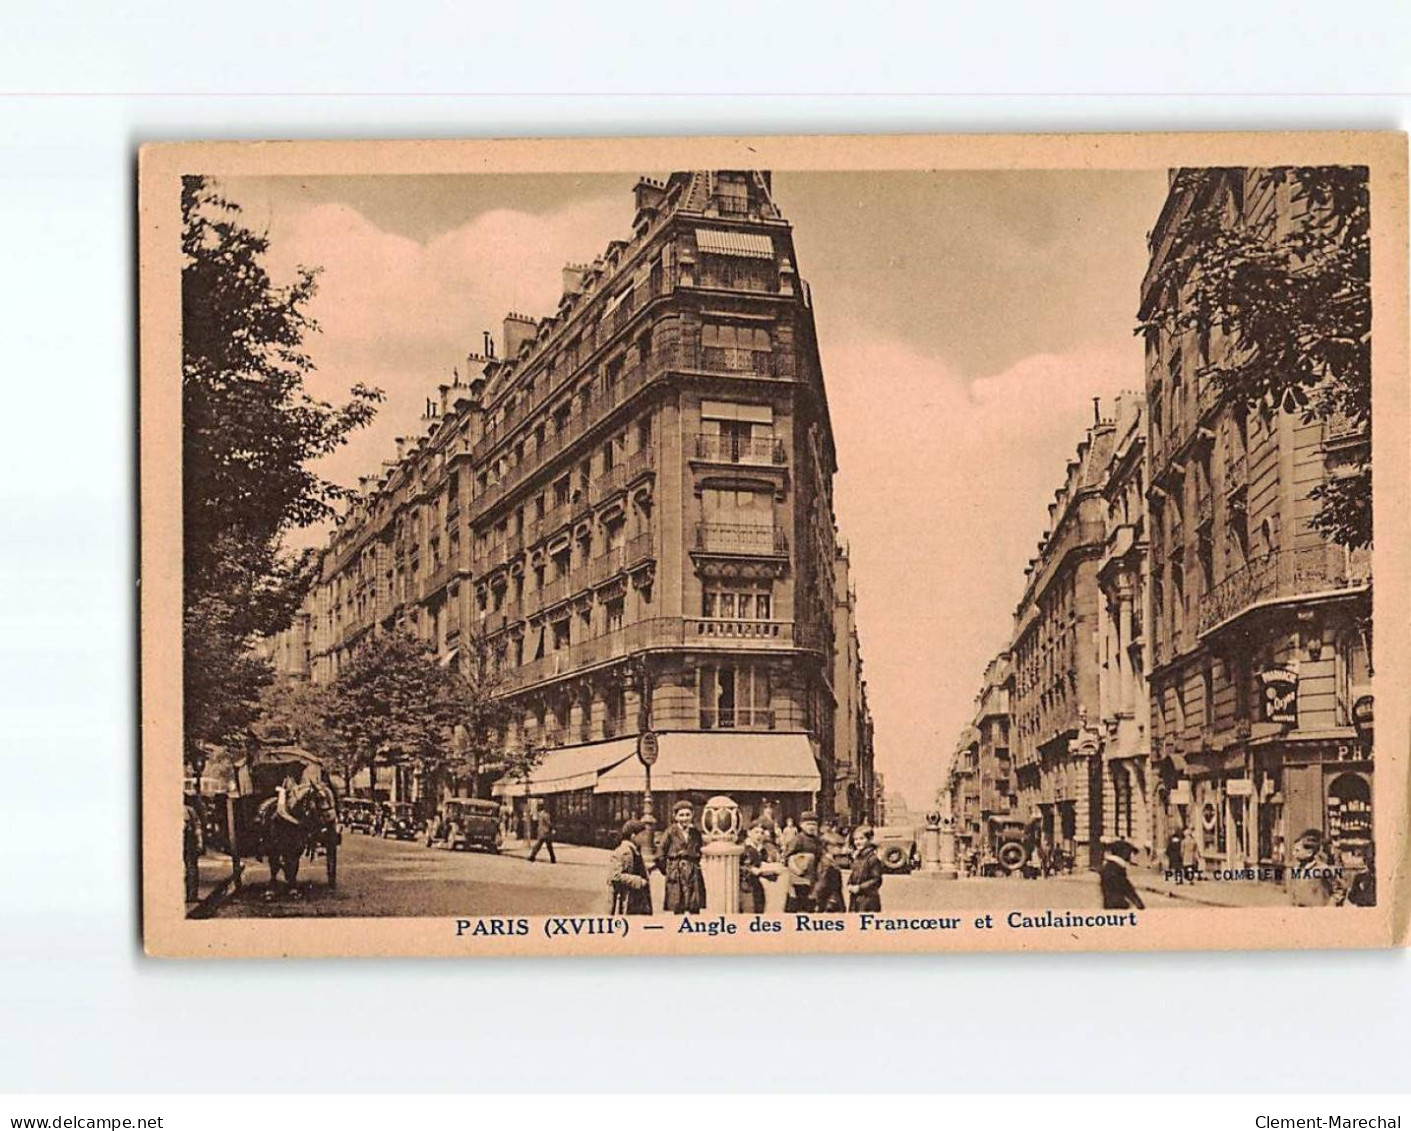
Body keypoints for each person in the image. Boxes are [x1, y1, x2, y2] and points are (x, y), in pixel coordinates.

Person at [656, 801, 705, 913]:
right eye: (681, 815)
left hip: (693, 872)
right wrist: (669, 870)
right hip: (676, 872)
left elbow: (699, 852)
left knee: (694, 904)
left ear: (692, 815)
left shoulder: (696, 833)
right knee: (678, 904)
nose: (685, 818)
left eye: (688, 815)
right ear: (675, 816)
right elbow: (660, 855)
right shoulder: (670, 832)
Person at [607, 820, 653, 915]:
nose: (645, 838)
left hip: (638, 899)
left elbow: (633, 868)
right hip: (629, 901)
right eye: (642, 835)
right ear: (633, 836)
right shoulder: (624, 851)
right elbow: (615, 876)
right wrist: (638, 881)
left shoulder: (634, 850)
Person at [784, 811, 824, 912]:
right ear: (801, 825)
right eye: (808, 824)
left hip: (814, 877)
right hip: (800, 878)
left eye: (814, 824)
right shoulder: (798, 839)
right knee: (799, 905)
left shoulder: (817, 840)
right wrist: (797, 869)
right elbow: (787, 857)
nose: (811, 827)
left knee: (811, 904)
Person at [1288, 828, 1336, 906]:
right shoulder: (1296, 869)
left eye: (1297, 850)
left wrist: (1330, 906)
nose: (1293, 853)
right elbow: (1294, 891)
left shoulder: (1322, 869)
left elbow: (1338, 889)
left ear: (1309, 853)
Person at [1098, 840, 1145, 911]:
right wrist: (1138, 903)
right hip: (1117, 907)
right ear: (1124, 853)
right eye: (1130, 853)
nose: (1131, 856)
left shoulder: (1112, 866)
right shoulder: (1115, 869)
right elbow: (1127, 888)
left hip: (1111, 906)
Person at [739, 820, 774, 914]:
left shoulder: (763, 850)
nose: (759, 835)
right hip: (745, 887)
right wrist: (751, 870)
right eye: (756, 832)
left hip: (758, 886)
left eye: (762, 833)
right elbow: (737, 867)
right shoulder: (742, 849)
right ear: (749, 833)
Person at [846, 825, 883, 912]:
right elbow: (854, 874)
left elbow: (876, 880)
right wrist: (850, 884)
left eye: (861, 839)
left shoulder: (873, 858)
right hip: (855, 899)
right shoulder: (858, 857)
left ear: (869, 840)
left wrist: (860, 888)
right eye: (856, 839)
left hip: (868, 900)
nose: (857, 842)